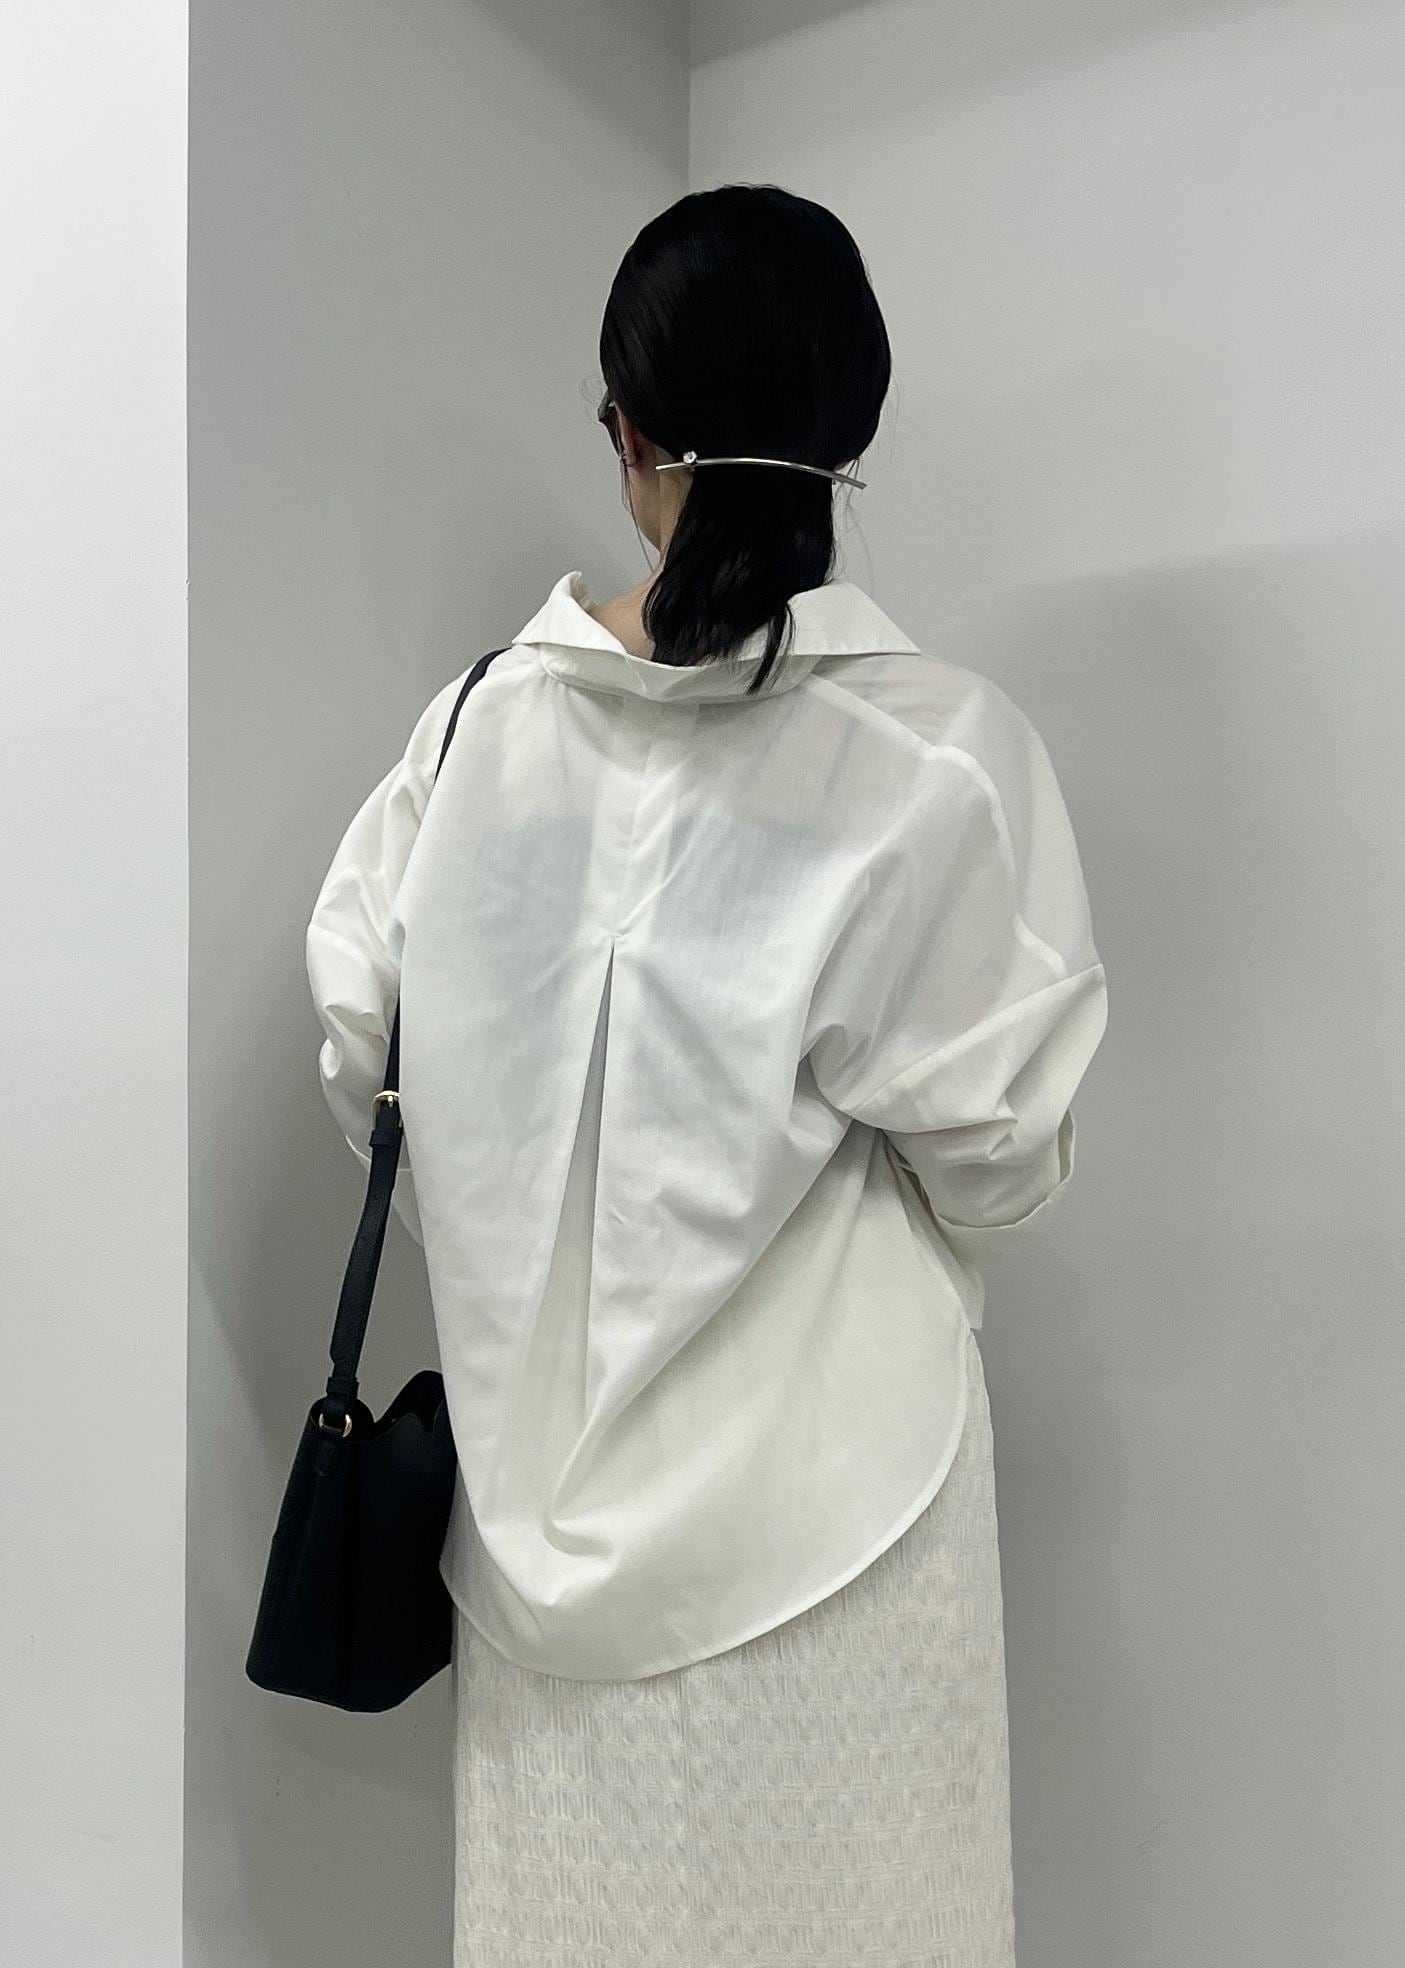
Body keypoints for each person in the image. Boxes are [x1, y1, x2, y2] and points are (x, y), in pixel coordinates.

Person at [305, 183, 1108, 1966]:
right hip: (841, 1534)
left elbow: (370, 1064)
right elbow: (1003, 1156)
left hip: (530, 1560)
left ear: (624, 433)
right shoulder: (935, 758)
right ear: (849, 435)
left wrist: (531, 1231)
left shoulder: (469, 737)